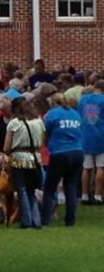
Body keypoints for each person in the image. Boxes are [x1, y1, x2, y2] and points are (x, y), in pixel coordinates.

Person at [2, 97, 45, 229]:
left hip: (19, 157)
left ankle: (26, 221)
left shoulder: (14, 123)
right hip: (36, 158)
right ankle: (36, 220)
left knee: (22, 189)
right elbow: (42, 142)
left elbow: (7, 147)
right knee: (32, 190)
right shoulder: (39, 121)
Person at [41, 93, 83, 227]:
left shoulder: (52, 114)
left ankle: (45, 220)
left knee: (49, 187)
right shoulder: (75, 114)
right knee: (70, 186)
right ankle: (70, 221)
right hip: (77, 151)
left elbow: (45, 132)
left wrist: (48, 146)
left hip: (59, 152)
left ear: (53, 103)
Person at [78, 79, 104, 205]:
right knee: (101, 166)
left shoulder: (83, 100)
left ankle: (84, 195)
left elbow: (79, 116)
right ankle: (98, 196)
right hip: (101, 135)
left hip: (86, 135)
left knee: (86, 167)